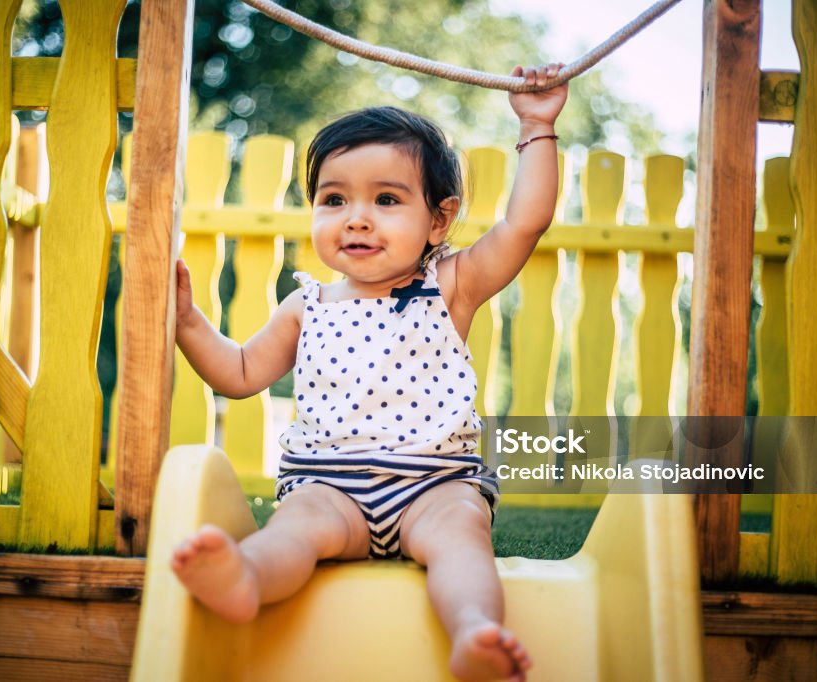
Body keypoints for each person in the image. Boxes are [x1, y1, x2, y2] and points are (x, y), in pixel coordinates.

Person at [171, 64, 568, 682]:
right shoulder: (306, 305)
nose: (356, 218)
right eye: (334, 199)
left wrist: (537, 126)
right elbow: (241, 372)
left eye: (386, 199)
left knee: (463, 535)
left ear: (438, 221)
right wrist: (190, 323)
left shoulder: (451, 284)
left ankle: (473, 632)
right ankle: (246, 578)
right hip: (328, 486)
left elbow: (524, 224)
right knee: (294, 529)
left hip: (434, 486)